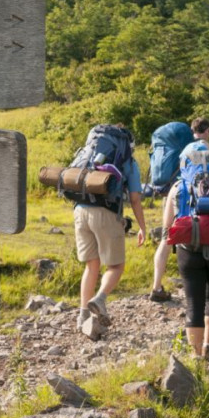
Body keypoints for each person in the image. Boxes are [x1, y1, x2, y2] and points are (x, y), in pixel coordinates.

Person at [162, 142, 209, 361]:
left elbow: (167, 227)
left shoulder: (178, 187)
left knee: (194, 303)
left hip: (188, 250)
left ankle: (196, 356)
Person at [75, 126, 147, 335]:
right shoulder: (128, 162)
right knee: (116, 266)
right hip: (105, 212)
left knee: (91, 265)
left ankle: (82, 317)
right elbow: (134, 198)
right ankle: (100, 299)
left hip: (80, 210)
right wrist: (142, 227)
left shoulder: (89, 155)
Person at [149, 117, 209, 302]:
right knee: (200, 235)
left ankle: (156, 286)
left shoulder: (183, 148)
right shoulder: (203, 149)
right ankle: (201, 286)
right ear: (207, 130)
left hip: (171, 191)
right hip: (191, 196)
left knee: (166, 238)